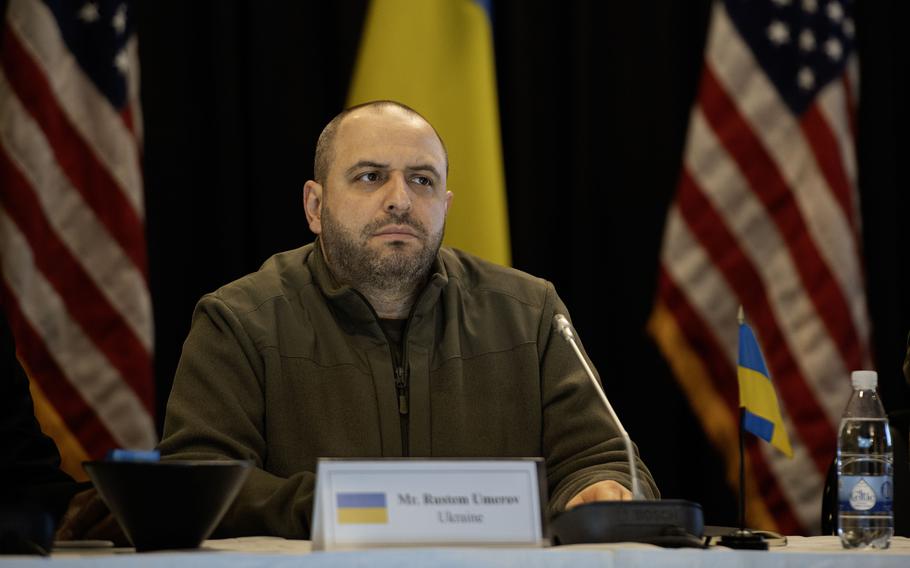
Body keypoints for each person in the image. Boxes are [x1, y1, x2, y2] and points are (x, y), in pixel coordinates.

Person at [158, 100, 658, 538]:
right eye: (370, 176)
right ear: (315, 205)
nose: (400, 199)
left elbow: (604, 459)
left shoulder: (530, 314)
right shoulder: (239, 319)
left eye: (422, 180)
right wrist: (352, 506)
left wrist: (599, 490)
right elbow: (197, 480)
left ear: (444, 206)